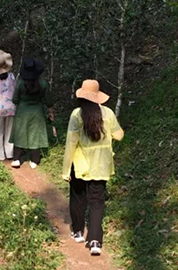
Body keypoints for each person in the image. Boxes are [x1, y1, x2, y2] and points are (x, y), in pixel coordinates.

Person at [62, 80, 124, 256]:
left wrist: (66, 170)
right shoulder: (108, 113)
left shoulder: (77, 114)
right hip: (101, 165)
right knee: (97, 202)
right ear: (98, 96)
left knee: (78, 197)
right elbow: (119, 135)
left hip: (80, 163)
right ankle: (95, 240)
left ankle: (78, 232)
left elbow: (71, 142)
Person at [10, 58, 55, 169]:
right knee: (35, 134)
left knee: (20, 133)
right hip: (37, 111)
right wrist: (50, 112)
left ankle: (16, 159)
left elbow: (15, 99)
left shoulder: (20, 83)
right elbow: (48, 101)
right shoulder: (43, 83)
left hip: (22, 111)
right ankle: (34, 160)